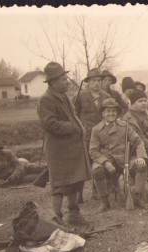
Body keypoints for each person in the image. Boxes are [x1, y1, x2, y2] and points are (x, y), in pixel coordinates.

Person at [37, 62, 91, 226]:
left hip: (72, 148)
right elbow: (49, 124)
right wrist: (74, 127)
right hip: (59, 150)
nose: (68, 81)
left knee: (75, 181)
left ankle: (74, 214)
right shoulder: (46, 100)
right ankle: (57, 218)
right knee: (59, 185)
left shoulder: (64, 96)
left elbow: (72, 117)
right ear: (53, 82)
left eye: (66, 78)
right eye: (63, 79)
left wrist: (78, 127)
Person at [89, 98, 148, 211]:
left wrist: (141, 157)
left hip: (125, 159)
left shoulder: (125, 126)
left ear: (117, 113)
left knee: (141, 165)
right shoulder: (96, 130)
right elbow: (93, 151)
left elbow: (138, 141)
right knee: (97, 171)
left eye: (113, 111)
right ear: (103, 113)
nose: (111, 113)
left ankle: (139, 197)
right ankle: (104, 201)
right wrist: (106, 162)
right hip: (107, 160)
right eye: (108, 111)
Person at [73, 68, 109, 202]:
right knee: (82, 164)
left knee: (98, 162)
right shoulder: (80, 96)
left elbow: (114, 112)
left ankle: (97, 191)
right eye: (94, 81)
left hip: (102, 136)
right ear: (88, 82)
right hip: (85, 136)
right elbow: (74, 114)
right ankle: (79, 194)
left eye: (99, 81)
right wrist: (79, 128)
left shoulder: (106, 97)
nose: (97, 83)